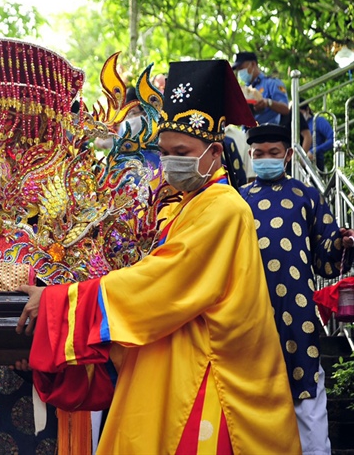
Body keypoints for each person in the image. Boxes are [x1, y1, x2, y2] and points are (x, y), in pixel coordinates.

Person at [16, 59, 301, 453]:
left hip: (208, 381)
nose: (169, 163)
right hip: (175, 365)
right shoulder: (189, 204)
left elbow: (164, 281)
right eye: (164, 152)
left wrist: (62, 302)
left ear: (214, 151)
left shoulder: (223, 208)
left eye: (181, 152)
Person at [240, 123, 354, 455]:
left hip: (297, 305)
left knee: (307, 381)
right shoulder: (238, 198)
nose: (266, 159)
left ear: (288, 155)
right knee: (253, 382)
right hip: (251, 305)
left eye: (274, 154)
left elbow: (326, 254)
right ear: (249, 155)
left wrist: (342, 242)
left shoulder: (307, 195)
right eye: (259, 154)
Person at [232, 51, 289, 125]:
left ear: (253, 64)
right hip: (247, 134)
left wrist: (268, 103)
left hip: (269, 131)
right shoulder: (244, 91)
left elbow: (285, 109)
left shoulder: (271, 83)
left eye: (241, 68)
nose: (240, 72)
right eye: (238, 70)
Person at [300, 104, 334, 171]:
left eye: (300, 114)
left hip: (315, 162)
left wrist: (314, 151)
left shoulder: (318, 121)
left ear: (307, 110)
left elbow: (333, 139)